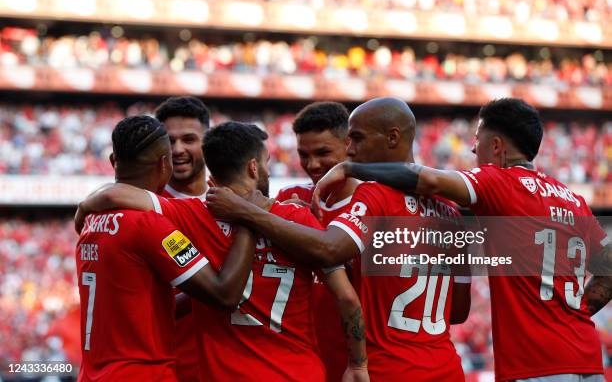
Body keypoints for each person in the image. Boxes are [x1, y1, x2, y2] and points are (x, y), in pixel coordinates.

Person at [312, 97, 611, 382]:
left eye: (477, 141)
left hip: (537, 361)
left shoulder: (499, 181)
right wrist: (576, 311)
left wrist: (350, 168)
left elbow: (428, 180)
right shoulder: (573, 199)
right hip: (587, 355)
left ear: (496, 146)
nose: (472, 151)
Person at [76, 121, 369, 382]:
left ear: (212, 181)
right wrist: (358, 364)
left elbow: (123, 194)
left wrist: (88, 206)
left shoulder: (190, 216)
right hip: (296, 371)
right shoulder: (298, 218)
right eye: (266, 162)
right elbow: (345, 297)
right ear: (254, 167)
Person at [205, 99, 471, 381]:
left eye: (355, 139)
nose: (351, 148)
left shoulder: (374, 197)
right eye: (303, 154)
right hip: (442, 366)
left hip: (379, 367)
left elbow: (330, 249)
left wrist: (251, 212)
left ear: (393, 137)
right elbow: (456, 311)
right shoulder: (451, 213)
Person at [75, 115, 256, 381]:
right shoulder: (149, 224)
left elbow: (144, 301)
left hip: (93, 373)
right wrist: (250, 221)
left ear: (114, 162)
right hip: (143, 373)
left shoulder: (91, 221)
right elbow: (224, 295)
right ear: (164, 163)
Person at [276, 101, 359, 382]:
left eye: (323, 153)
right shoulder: (290, 197)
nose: (312, 165)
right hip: (299, 361)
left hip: (354, 363)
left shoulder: (373, 204)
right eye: (303, 154)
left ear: (349, 145)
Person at [155, 95, 210, 381]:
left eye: (189, 139)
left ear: (207, 142)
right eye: (169, 140)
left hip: (229, 365)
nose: (177, 149)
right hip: (170, 365)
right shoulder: (147, 207)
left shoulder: (233, 201)